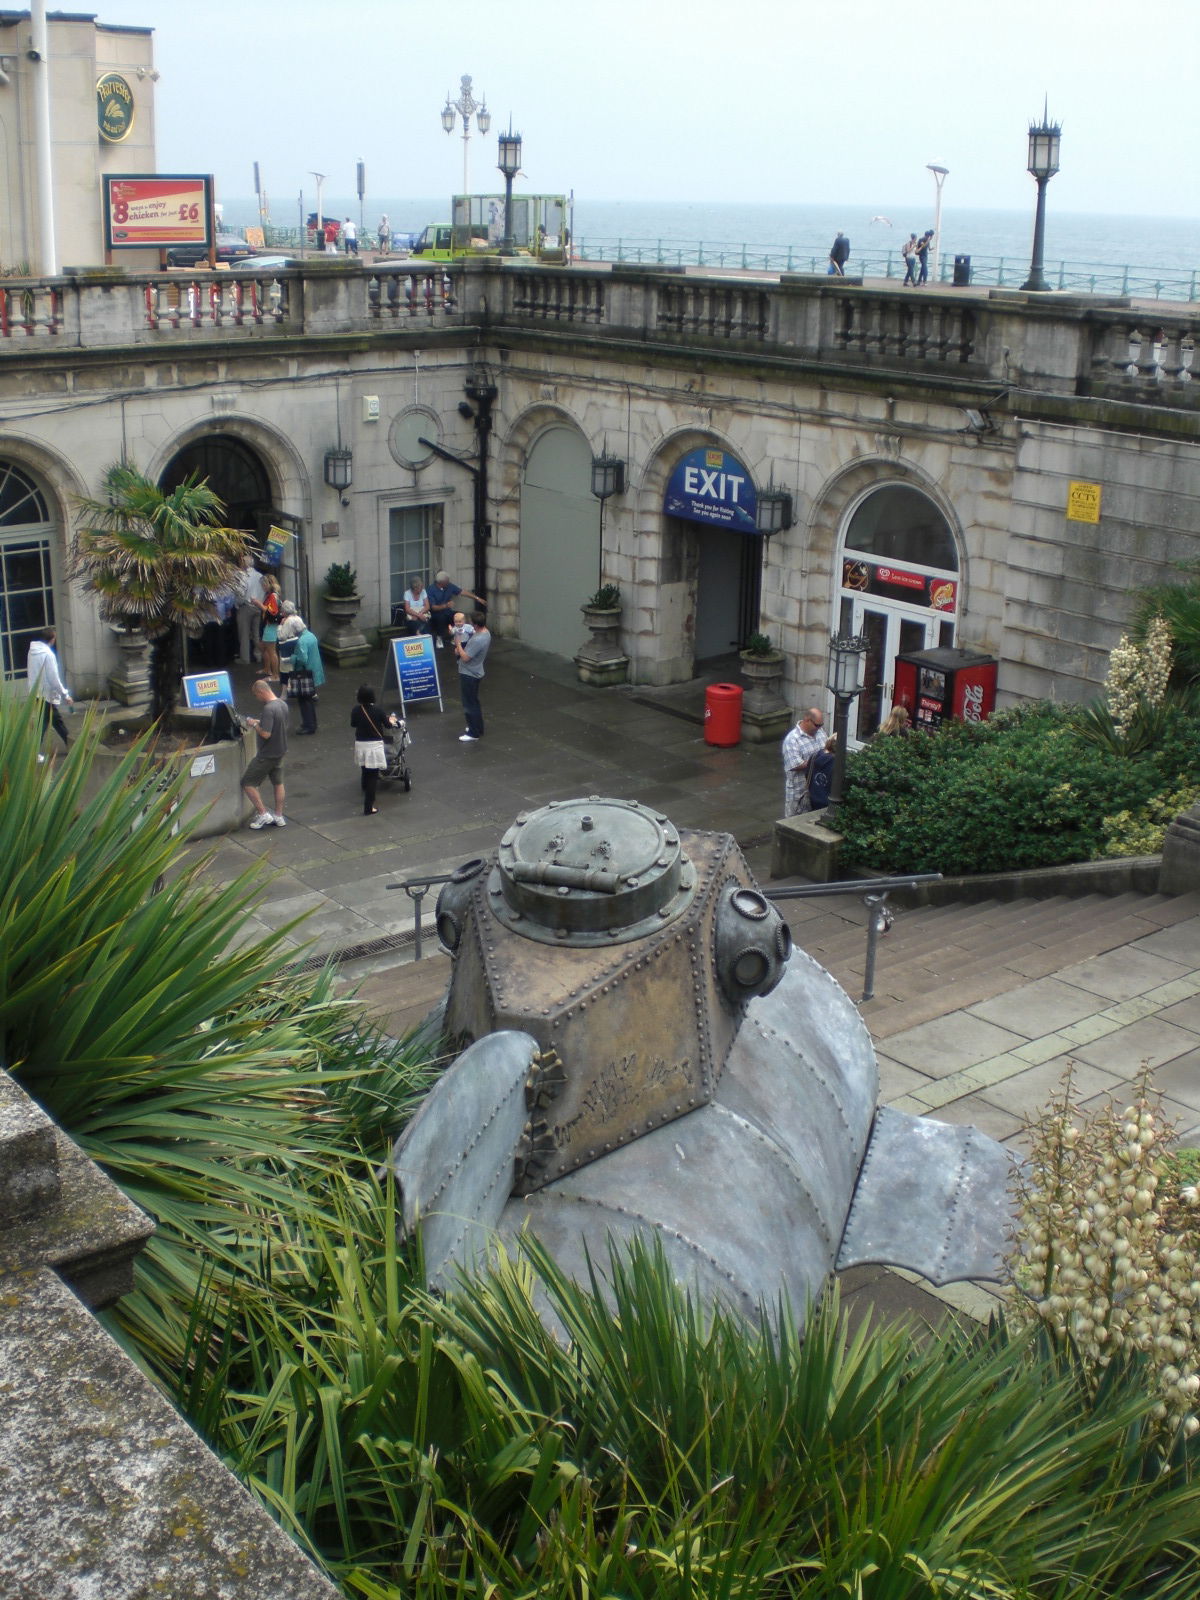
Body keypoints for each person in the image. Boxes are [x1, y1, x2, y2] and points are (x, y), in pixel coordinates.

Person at [241, 678, 289, 829]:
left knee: (248, 783)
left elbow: (266, 734)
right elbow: (279, 725)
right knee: (278, 783)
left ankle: (263, 814)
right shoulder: (282, 704)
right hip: (280, 751)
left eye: (256, 695)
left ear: (261, 692)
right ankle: (279, 816)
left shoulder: (269, 709)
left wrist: (254, 724)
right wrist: (260, 721)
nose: (257, 698)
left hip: (267, 754)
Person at [350, 683, 397, 815]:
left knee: (364, 769)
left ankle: (365, 790)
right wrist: (392, 719)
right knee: (373, 776)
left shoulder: (356, 710)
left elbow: (353, 724)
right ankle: (368, 806)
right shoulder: (378, 710)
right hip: (374, 745)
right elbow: (388, 725)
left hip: (360, 744)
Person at [27, 627, 72, 748]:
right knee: (45, 724)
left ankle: (71, 744)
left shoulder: (32, 651)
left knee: (54, 721)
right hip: (46, 695)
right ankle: (33, 752)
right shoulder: (49, 655)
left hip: (36, 693)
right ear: (52, 639)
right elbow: (54, 679)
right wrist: (65, 695)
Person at [781, 706, 827, 818]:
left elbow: (826, 750)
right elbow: (794, 765)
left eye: (821, 725)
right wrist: (819, 760)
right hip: (799, 791)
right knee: (794, 822)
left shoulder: (820, 732)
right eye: (817, 725)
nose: (819, 728)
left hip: (816, 789)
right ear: (807, 720)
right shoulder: (792, 740)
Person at [454, 610, 491, 741]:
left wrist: (458, 644)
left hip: (469, 673)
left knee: (469, 703)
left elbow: (465, 657)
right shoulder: (485, 633)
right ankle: (477, 727)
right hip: (476, 671)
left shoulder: (478, 639)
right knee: (474, 702)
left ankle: (473, 732)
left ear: (475, 625)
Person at [427, 570, 484, 650]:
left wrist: (477, 598)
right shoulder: (431, 589)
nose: (448, 583)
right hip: (436, 614)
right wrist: (446, 605)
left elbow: (462, 592)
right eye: (447, 582)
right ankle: (439, 638)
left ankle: (457, 636)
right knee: (440, 618)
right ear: (441, 582)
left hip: (448, 612)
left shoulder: (449, 586)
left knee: (459, 615)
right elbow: (433, 607)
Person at [289, 619, 325, 734]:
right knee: (309, 699)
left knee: (304, 700)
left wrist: (292, 658)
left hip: (304, 674)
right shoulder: (311, 636)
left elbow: (302, 659)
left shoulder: (301, 641)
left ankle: (308, 725)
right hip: (314, 671)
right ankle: (312, 723)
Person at [235, 555, 264, 665]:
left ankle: (245, 658)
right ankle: (259, 656)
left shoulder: (242, 575)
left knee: (244, 634)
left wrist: (237, 604)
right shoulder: (260, 576)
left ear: (244, 564)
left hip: (245, 606)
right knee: (256, 634)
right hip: (258, 606)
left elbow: (240, 593)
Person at [276, 600, 305, 696]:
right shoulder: (298, 618)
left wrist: (280, 626)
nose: (281, 613)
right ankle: (306, 691)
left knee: (285, 671)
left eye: (282, 611)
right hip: (297, 647)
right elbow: (302, 630)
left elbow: (282, 636)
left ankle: (284, 694)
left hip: (287, 649)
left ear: (285, 611)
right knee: (298, 669)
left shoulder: (287, 621)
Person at [258, 573, 282, 679]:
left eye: (263, 585)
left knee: (271, 651)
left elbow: (271, 612)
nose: (262, 587)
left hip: (270, 625)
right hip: (269, 625)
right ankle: (268, 669)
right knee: (266, 648)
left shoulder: (272, 596)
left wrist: (259, 604)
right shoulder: (273, 595)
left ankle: (275, 674)